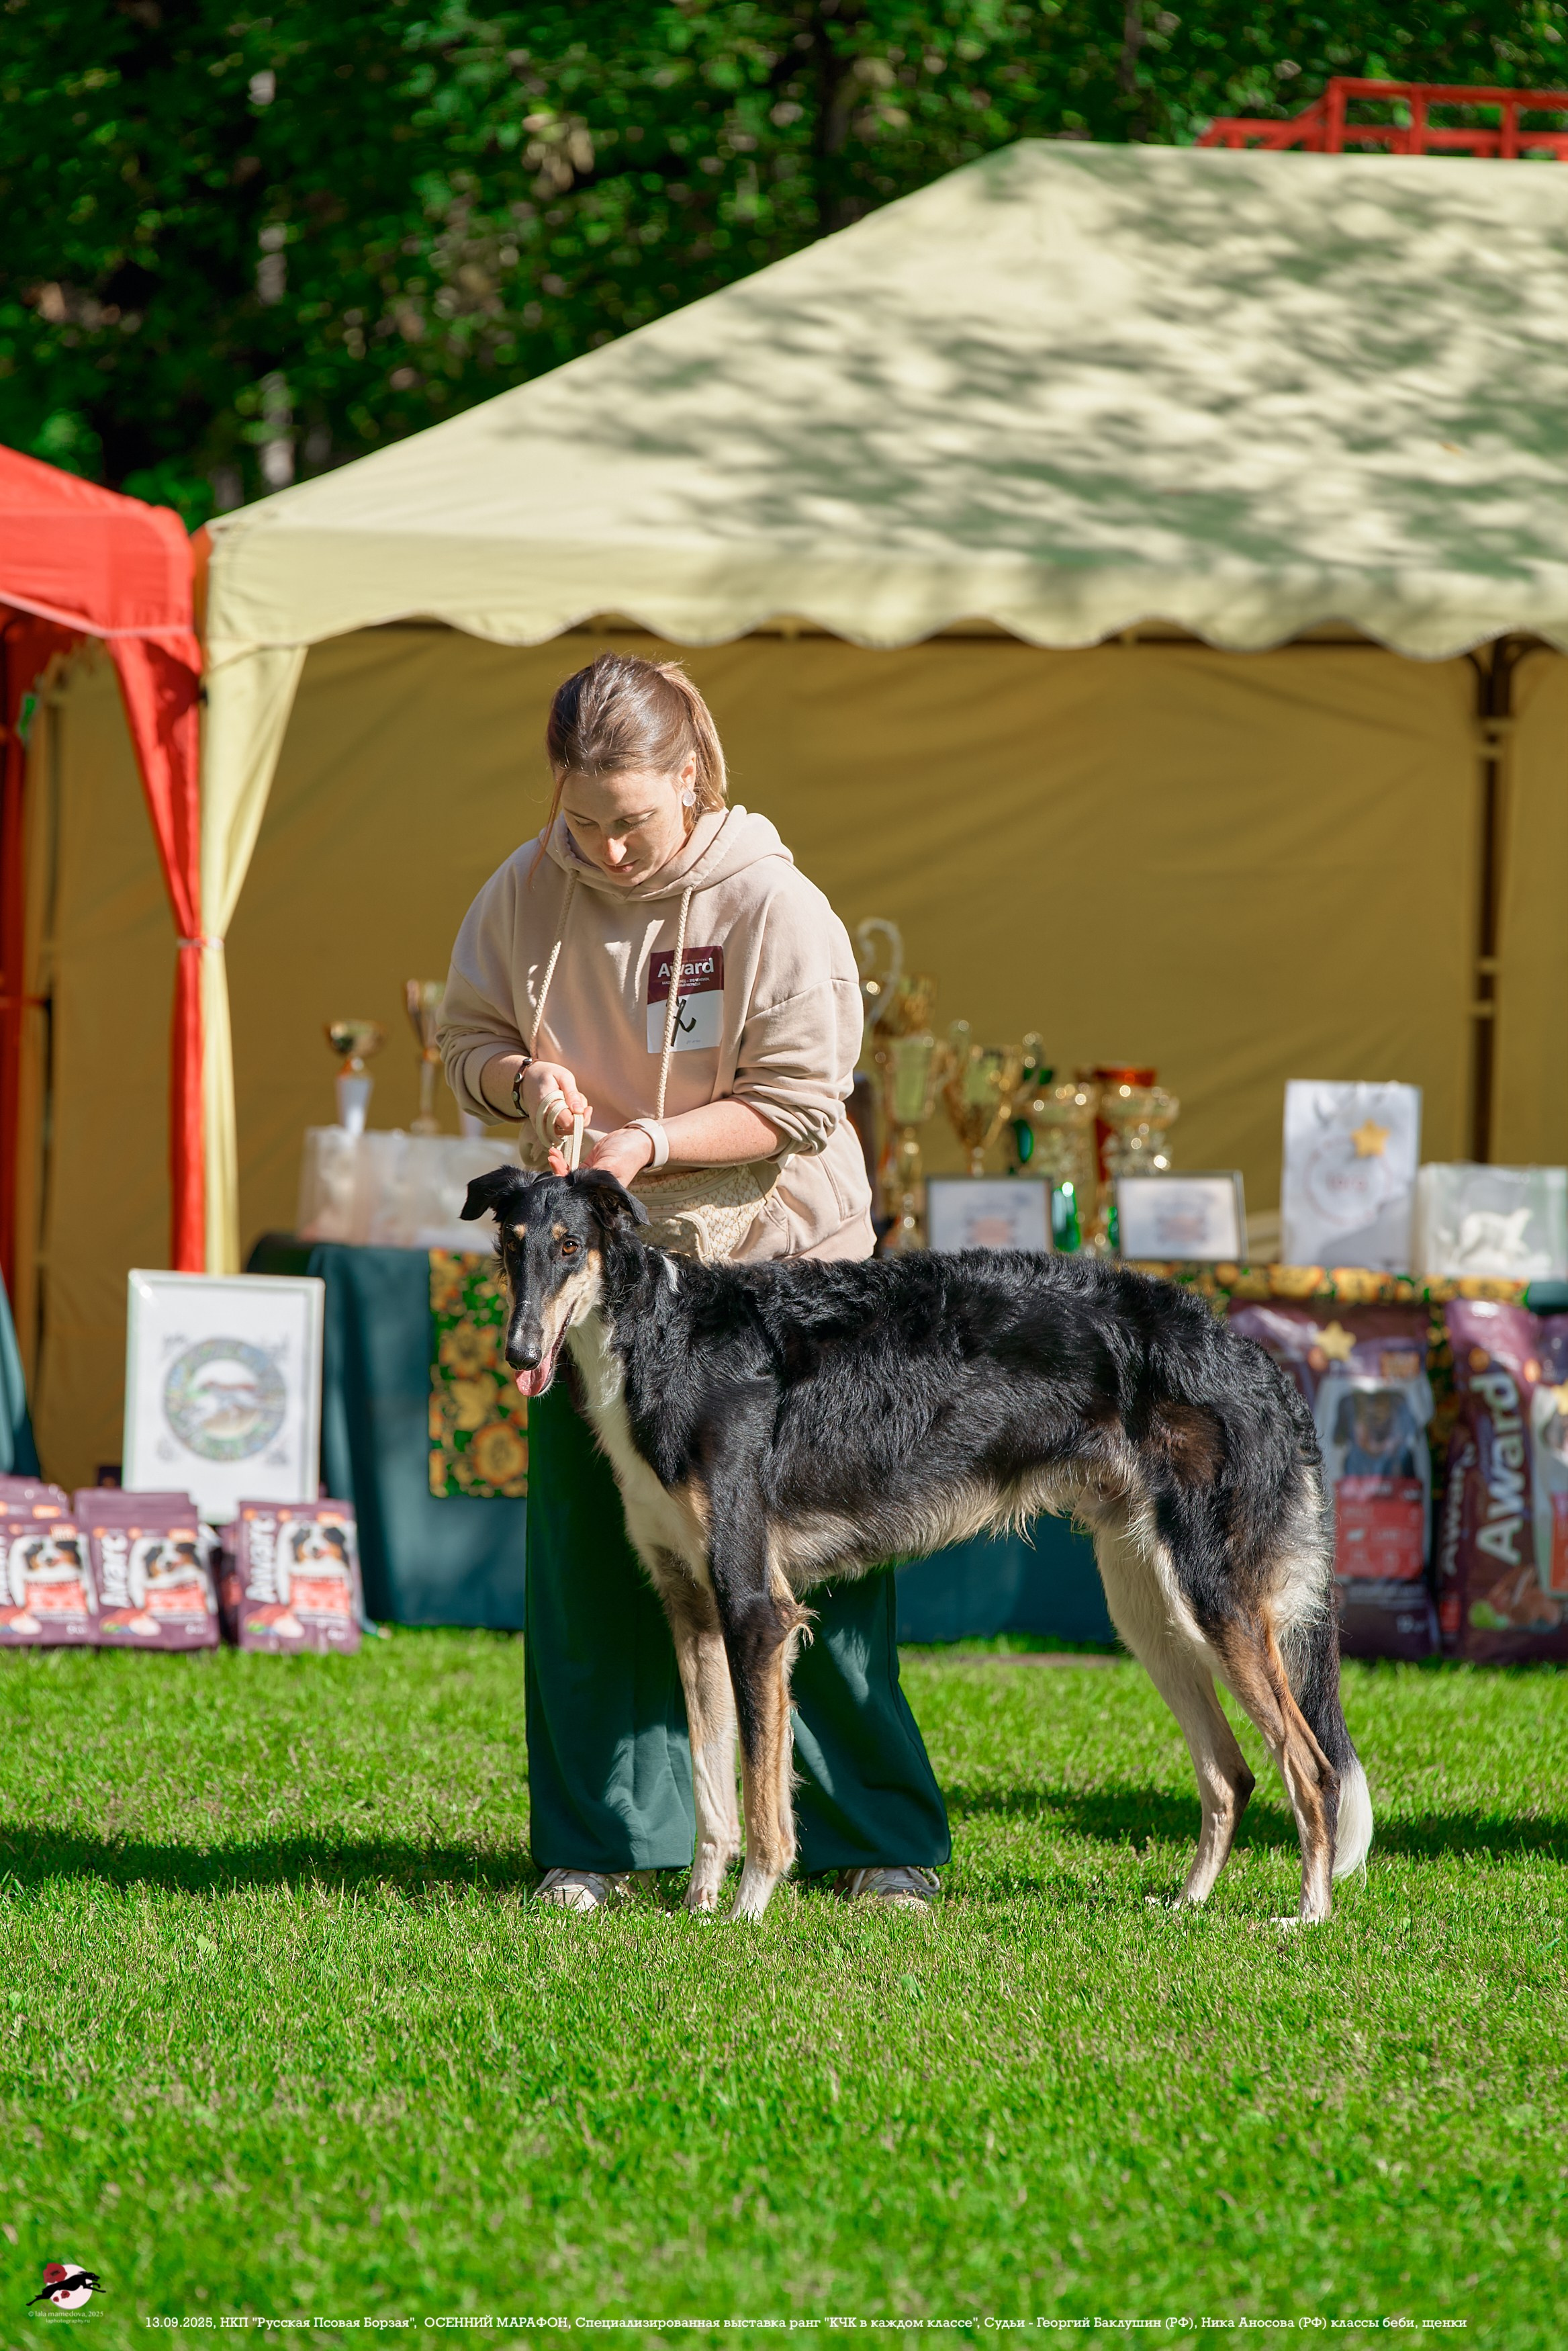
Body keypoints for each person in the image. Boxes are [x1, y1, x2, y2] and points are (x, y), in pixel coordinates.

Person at [439, 651, 949, 1913]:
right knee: (599, 1564)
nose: (608, 852)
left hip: (775, 1285)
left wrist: (650, 1146)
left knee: (801, 1566)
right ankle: (608, 1840)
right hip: (604, 1280)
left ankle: (866, 1832)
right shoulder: (523, 890)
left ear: (695, 778)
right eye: (583, 822)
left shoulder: (775, 905)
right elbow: (466, 1042)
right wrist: (526, 1085)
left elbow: (801, 1106)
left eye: (635, 823)